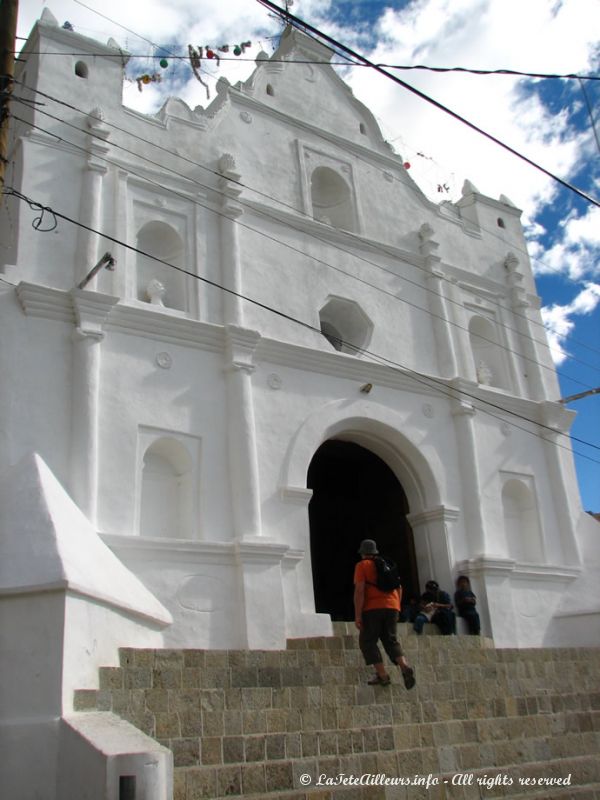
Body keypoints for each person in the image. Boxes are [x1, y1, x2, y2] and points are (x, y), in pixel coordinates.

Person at [353, 539, 415, 689]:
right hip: (392, 606)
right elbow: (399, 588)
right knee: (390, 640)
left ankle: (382, 675)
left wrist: (358, 615)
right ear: (375, 552)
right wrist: (397, 607)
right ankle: (404, 666)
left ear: (362, 553)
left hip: (372, 608)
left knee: (367, 641)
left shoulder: (362, 566)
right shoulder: (387, 564)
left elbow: (360, 590)